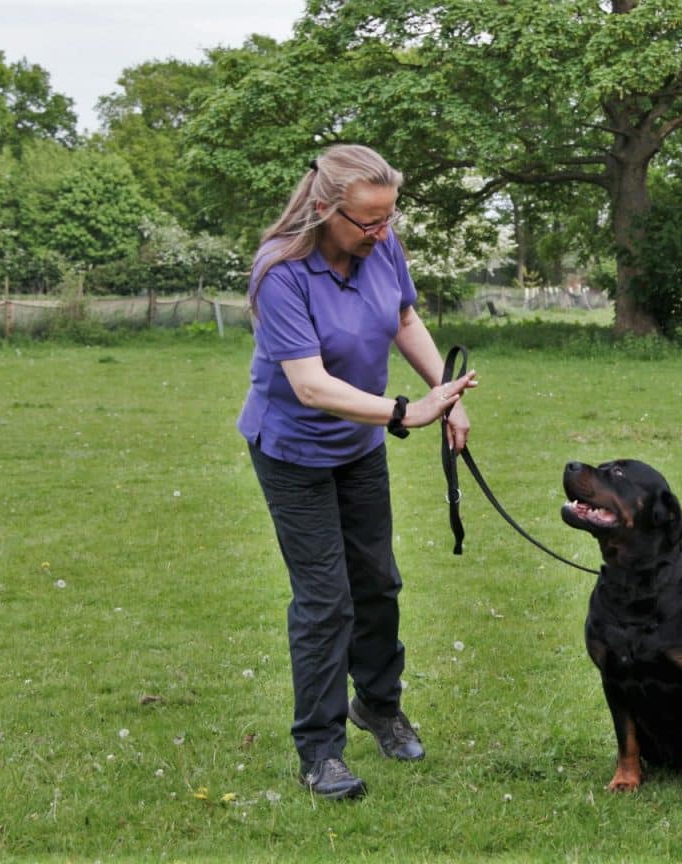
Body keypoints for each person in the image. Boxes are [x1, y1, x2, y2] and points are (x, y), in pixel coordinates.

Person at [238, 144, 477, 801]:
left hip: (359, 448)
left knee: (378, 583)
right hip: (293, 453)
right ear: (324, 209)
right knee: (324, 602)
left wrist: (445, 393)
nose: (381, 233)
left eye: (389, 220)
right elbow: (311, 387)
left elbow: (403, 317)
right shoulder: (281, 273)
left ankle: (377, 704)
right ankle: (321, 752)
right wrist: (407, 409)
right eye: (368, 222)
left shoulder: (383, 246)